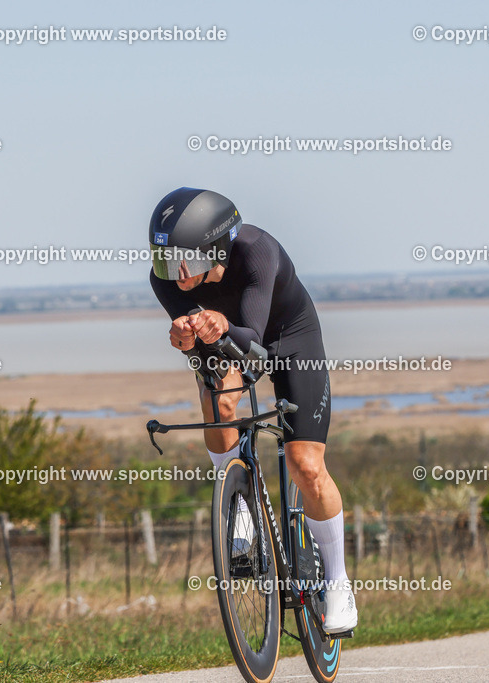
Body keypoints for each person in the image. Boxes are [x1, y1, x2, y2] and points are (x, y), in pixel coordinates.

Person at [147, 186, 357, 634]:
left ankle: (338, 581)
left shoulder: (257, 252)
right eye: (166, 260)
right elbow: (206, 356)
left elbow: (255, 348)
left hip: (288, 340)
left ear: (216, 248)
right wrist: (187, 339)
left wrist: (220, 325)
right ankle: (239, 503)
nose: (175, 273)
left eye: (186, 259)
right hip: (230, 340)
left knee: (306, 465)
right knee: (220, 402)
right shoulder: (165, 279)